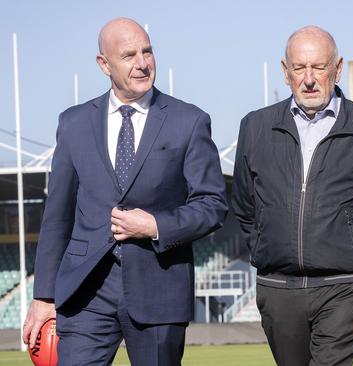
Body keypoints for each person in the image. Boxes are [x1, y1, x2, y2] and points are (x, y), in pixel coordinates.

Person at [22, 17, 228, 365]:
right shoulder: (73, 123)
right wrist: (43, 297)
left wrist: (156, 226)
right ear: (104, 64)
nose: (143, 63)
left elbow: (213, 204)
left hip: (159, 288)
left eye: (147, 51)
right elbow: (57, 216)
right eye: (129, 55)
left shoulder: (189, 121)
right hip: (85, 291)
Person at [232, 25, 353, 366]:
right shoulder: (255, 127)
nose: (309, 79)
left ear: (337, 69)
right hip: (278, 287)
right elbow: (243, 206)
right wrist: (270, 247)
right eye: (299, 68)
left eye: (319, 67)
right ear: (285, 72)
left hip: (344, 285)